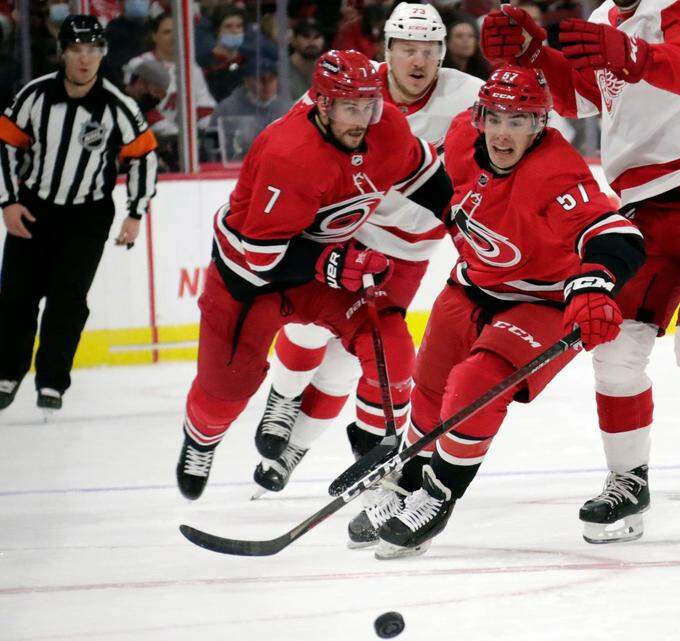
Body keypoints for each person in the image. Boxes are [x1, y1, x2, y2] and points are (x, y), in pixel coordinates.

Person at [482, 0, 680, 543]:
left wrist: (637, 54)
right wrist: (535, 56)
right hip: (644, 209)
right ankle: (627, 483)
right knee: (613, 351)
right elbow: (583, 97)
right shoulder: (602, 19)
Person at [368, 66, 645, 558]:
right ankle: (409, 479)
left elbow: (616, 234)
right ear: (478, 116)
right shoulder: (460, 135)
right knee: (429, 388)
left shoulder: (555, 170)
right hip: (472, 284)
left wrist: (594, 283)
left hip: (539, 300)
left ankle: (438, 494)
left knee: (473, 385)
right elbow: (446, 194)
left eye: (518, 121)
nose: (502, 131)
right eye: (494, 117)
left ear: (540, 125)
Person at [174, 49, 454, 500]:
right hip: (249, 278)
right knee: (226, 390)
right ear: (322, 105)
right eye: (350, 107)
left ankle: (375, 452)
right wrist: (332, 263)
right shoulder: (289, 154)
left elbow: (422, 172)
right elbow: (262, 256)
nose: (362, 119)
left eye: (369, 105)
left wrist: (457, 217)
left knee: (388, 340)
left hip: (319, 270)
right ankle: (202, 438)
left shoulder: (384, 126)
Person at [250, 3, 484, 510]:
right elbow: (298, 133)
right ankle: (283, 396)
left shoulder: (469, 96)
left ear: (442, 54)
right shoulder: (355, 87)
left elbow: (527, 129)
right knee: (308, 328)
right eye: (407, 50)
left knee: (346, 365)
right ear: (388, 52)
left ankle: (293, 451)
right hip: (345, 230)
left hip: (409, 253)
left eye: (429, 51)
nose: (418, 61)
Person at [0, 16, 157, 413]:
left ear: (102, 54)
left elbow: (143, 155)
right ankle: (7, 372)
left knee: (68, 301)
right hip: (34, 209)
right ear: (63, 53)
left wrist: (135, 212)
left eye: (94, 50)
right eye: (77, 50)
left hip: (88, 217)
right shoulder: (35, 96)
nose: (85, 60)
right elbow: (5, 144)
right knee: (16, 297)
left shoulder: (117, 105)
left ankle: (52, 381)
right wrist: (8, 201)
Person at [124, 12, 217, 171]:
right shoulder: (139, 64)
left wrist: (211, 136)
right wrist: (177, 136)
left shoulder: (192, 68)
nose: (173, 37)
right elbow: (139, 108)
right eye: (167, 32)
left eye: (177, 32)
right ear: (155, 36)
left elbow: (205, 110)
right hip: (146, 142)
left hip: (184, 144)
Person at [213, 51, 292, 161]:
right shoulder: (226, 109)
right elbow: (212, 150)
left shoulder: (289, 109)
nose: (267, 85)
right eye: (261, 79)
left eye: (271, 79)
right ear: (247, 80)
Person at [199, 7, 249, 102]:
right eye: (228, 26)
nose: (234, 31)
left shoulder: (248, 61)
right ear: (218, 30)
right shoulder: (202, 62)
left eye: (239, 26)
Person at [285, 18, 326, 102]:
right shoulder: (281, 70)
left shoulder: (328, 71)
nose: (312, 42)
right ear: (294, 40)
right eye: (306, 36)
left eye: (317, 37)